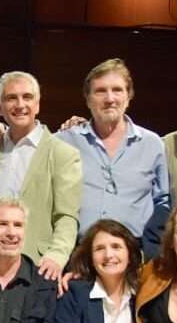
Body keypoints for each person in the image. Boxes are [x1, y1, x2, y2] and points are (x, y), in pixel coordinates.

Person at [55, 59, 169, 248]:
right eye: (100, 91)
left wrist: (151, 251)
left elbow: (162, 202)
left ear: (129, 96)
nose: (110, 99)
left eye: (117, 90)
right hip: (78, 254)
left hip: (136, 254)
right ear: (88, 98)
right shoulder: (63, 142)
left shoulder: (152, 144)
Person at [0, 71, 81, 280]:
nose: (20, 105)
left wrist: (57, 255)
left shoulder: (62, 153)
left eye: (27, 97)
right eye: (11, 98)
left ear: (37, 105)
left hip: (39, 266)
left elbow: (67, 216)